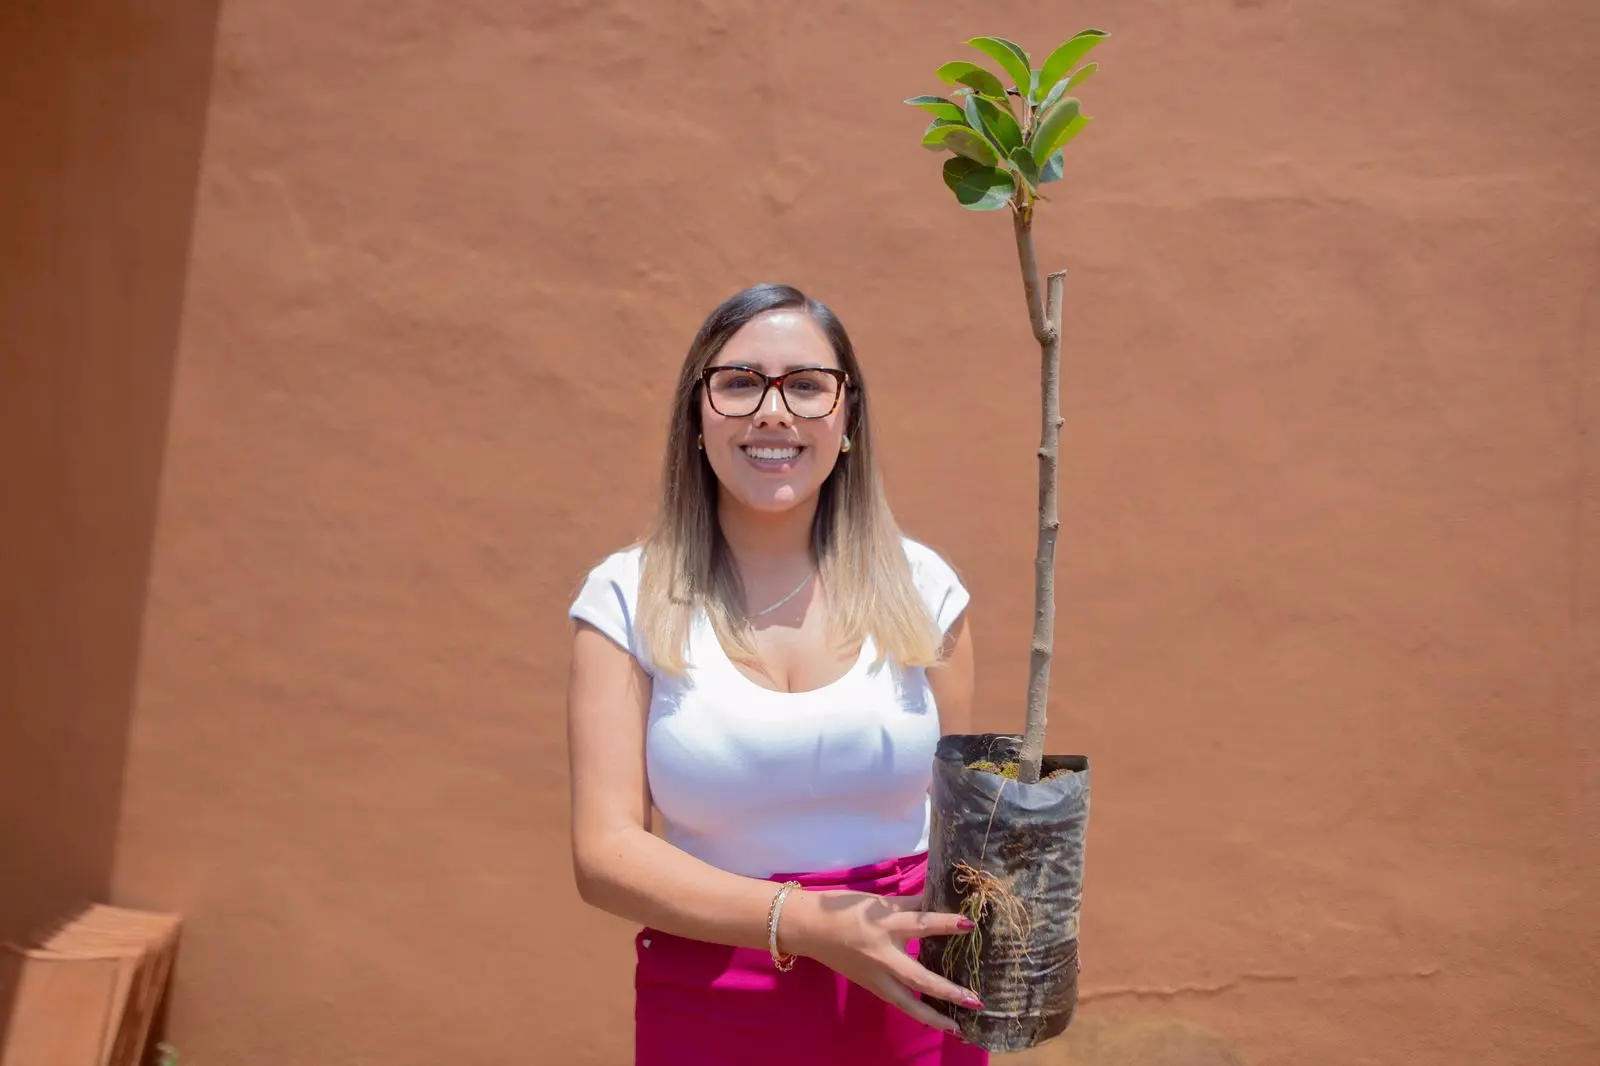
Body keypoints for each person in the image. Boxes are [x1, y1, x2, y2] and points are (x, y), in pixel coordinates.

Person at [565, 282, 987, 1064]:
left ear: (847, 417)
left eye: (806, 385)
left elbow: (966, 827)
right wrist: (805, 923)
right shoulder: (625, 596)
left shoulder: (925, 590)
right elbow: (605, 852)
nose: (773, 412)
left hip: (912, 1002)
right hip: (713, 1006)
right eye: (739, 383)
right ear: (696, 417)